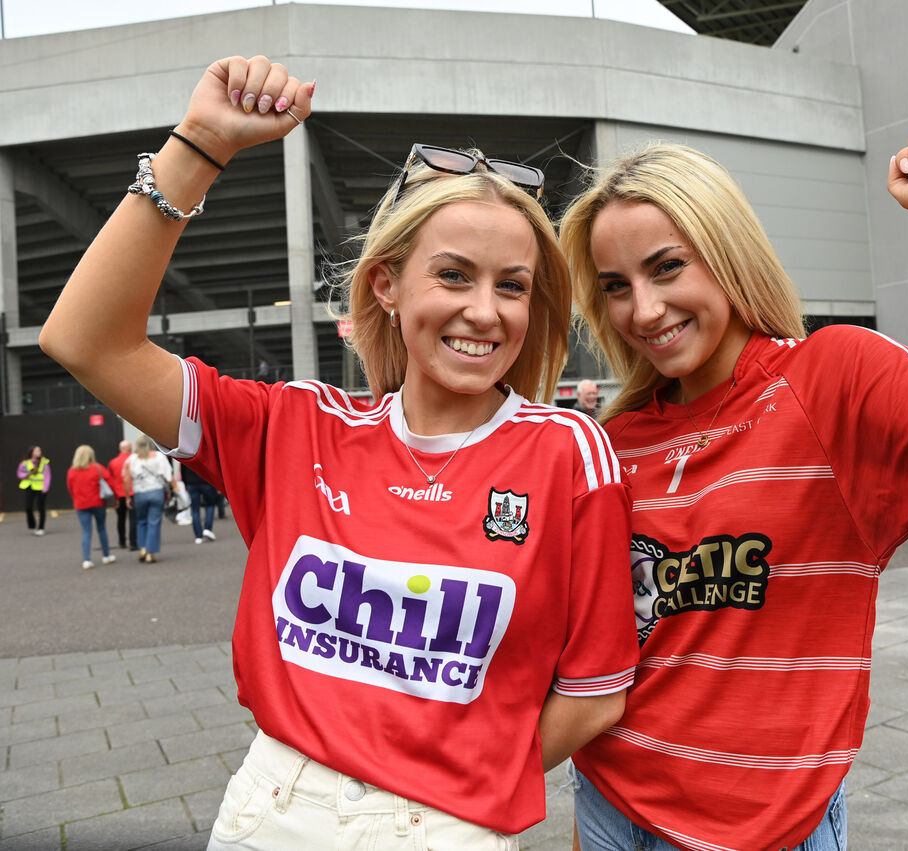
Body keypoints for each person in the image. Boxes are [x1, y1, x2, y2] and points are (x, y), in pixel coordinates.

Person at [40, 55, 637, 848]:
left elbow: (595, 692)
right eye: (453, 274)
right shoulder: (293, 425)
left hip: (452, 823)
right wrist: (201, 144)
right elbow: (83, 341)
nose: (484, 311)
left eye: (513, 285)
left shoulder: (570, 451)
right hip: (273, 808)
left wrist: (459, 787)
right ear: (387, 285)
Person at [558, 123, 908, 851]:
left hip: (764, 831)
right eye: (616, 287)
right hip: (608, 804)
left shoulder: (833, 380)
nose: (642, 310)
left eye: (668, 267)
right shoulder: (618, 438)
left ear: (729, 254)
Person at [66, 444, 119, 570]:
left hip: (81, 504)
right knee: (101, 529)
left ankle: (86, 559)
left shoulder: (72, 471)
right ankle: (106, 556)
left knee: (86, 531)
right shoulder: (97, 468)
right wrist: (115, 499)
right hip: (98, 503)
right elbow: (110, 482)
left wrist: (76, 500)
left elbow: (70, 488)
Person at [123, 435, 173, 564]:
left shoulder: (132, 459)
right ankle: (150, 553)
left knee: (141, 521)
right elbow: (168, 475)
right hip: (156, 492)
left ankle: (143, 549)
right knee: (154, 522)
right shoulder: (159, 456)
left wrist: (128, 497)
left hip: (140, 494)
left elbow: (126, 479)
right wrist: (177, 490)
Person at [108, 439, 138, 551]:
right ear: (130, 448)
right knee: (133, 519)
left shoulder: (113, 462)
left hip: (119, 494)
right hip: (132, 493)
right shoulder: (134, 460)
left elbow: (110, 479)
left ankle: (122, 541)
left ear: (120, 449)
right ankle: (133, 542)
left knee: (121, 519)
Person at [181, 462, 219, 544]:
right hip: (207, 481)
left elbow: (182, 470)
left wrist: (185, 483)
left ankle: (198, 536)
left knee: (195, 509)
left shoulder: (185, 451)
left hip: (192, 482)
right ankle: (207, 529)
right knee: (210, 505)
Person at [17, 445, 51, 535]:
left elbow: (47, 476)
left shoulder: (44, 462)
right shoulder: (25, 463)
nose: (39, 452)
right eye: (36, 451)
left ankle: (41, 527)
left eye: (39, 450)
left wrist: (45, 488)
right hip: (30, 486)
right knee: (28, 507)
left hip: (41, 488)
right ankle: (32, 524)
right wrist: (28, 473)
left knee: (41, 508)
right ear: (31, 453)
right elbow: (20, 474)